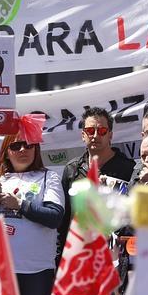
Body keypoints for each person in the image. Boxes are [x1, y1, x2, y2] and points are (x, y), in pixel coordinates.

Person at [0, 134, 65, 295]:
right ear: (6, 152)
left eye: (28, 145)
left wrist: (20, 205)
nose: (22, 150)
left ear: (36, 149)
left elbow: (55, 218)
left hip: (36, 271)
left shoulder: (49, 177)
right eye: (15, 146)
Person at [59, 107, 135, 264]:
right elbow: (64, 221)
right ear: (83, 135)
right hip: (78, 253)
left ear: (110, 135)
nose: (95, 135)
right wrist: (60, 259)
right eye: (89, 130)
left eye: (101, 131)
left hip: (113, 256)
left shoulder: (129, 168)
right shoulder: (71, 169)